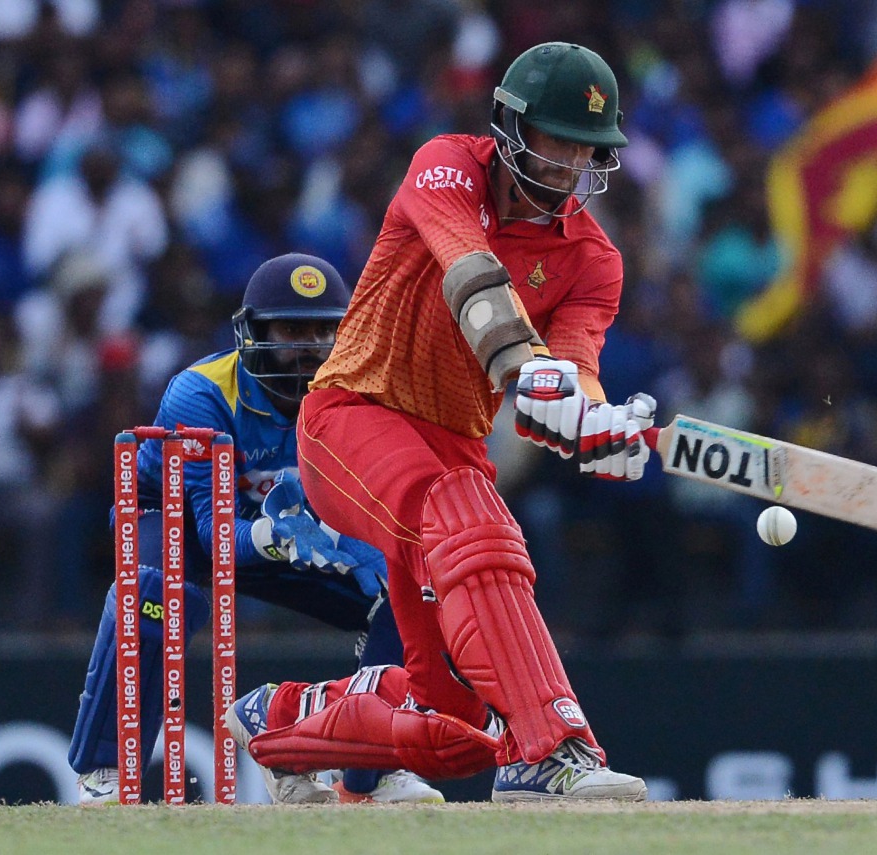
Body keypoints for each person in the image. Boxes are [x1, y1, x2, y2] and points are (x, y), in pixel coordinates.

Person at [229, 42, 653, 802]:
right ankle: (551, 749)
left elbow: (573, 365)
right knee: (469, 515)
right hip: (351, 416)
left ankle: (279, 722)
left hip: (450, 451)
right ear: (509, 126)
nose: (569, 167)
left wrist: (597, 423)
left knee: (450, 727)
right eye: (557, 141)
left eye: (587, 150)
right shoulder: (447, 166)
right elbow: (471, 273)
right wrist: (528, 373)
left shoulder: (595, 259)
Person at [69, 252, 443, 806]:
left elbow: (372, 513)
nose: (308, 348)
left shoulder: (358, 393)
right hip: (176, 521)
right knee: (153, 593)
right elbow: (211, 534)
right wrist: (273, 536)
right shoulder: (201, 393)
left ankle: (365, 775)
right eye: (291, 329)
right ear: (254, 332)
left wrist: (372, 566)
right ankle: (105, 772)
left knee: (402, 597)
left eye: (322, 332)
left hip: (294, 528)